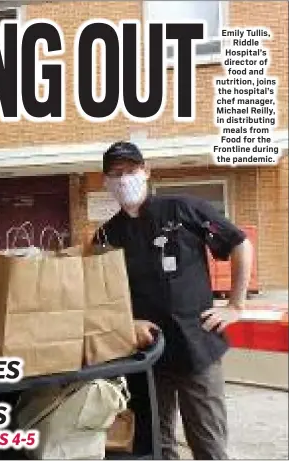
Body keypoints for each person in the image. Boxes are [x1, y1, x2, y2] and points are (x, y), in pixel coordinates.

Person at [93, 141, 253, 460]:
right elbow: (100, 294)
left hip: (196, 344)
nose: (124, 179)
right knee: (156, 441)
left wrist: (236, 305)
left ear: (146, 171)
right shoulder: (106, 236)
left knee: (208, 441)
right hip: (147, 352)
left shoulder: (183, 209)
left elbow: (240, 244)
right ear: (106, 182)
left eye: (131, 170)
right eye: (115, 173)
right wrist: (126, 322)